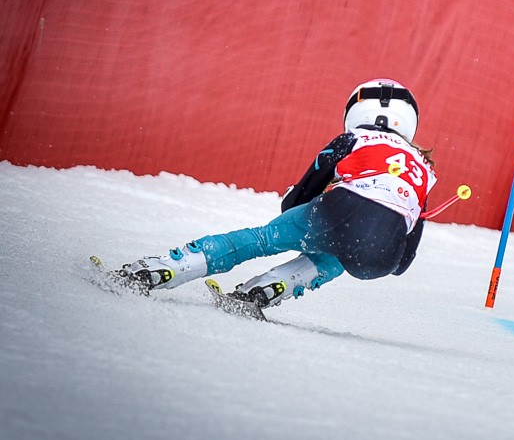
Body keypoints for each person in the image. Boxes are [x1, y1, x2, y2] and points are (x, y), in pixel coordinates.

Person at [118, 78, 437, 311]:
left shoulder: (354, 139)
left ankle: (169, 268)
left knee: (264, 238)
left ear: (356, 109)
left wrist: (308, 209)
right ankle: (269, 288)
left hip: (338, 211)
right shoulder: (424, 169)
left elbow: (298, 198)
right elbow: (402, 263)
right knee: (339, 252)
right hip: (379, 261)